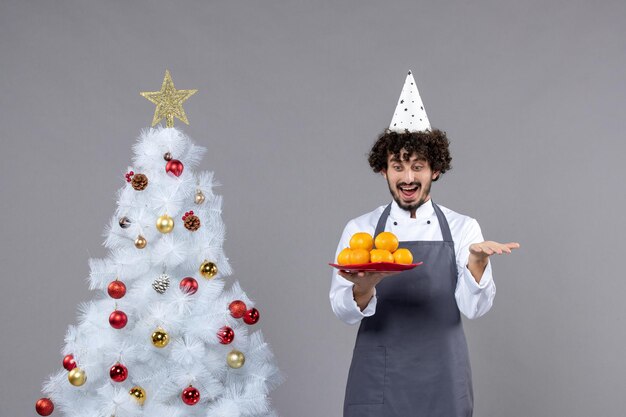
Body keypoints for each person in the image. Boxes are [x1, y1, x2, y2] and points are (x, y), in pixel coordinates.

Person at [329, 71, 519, 417]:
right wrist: (364, 289)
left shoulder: (463, 228)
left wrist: (477, 263)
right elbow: (341, 312)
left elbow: (475, 310)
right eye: (397, 166)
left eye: (418, 166)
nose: (408, 177)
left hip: (443, 378)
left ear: (435, 170)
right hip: (379, 376)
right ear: (383, 171)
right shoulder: (361, 230)